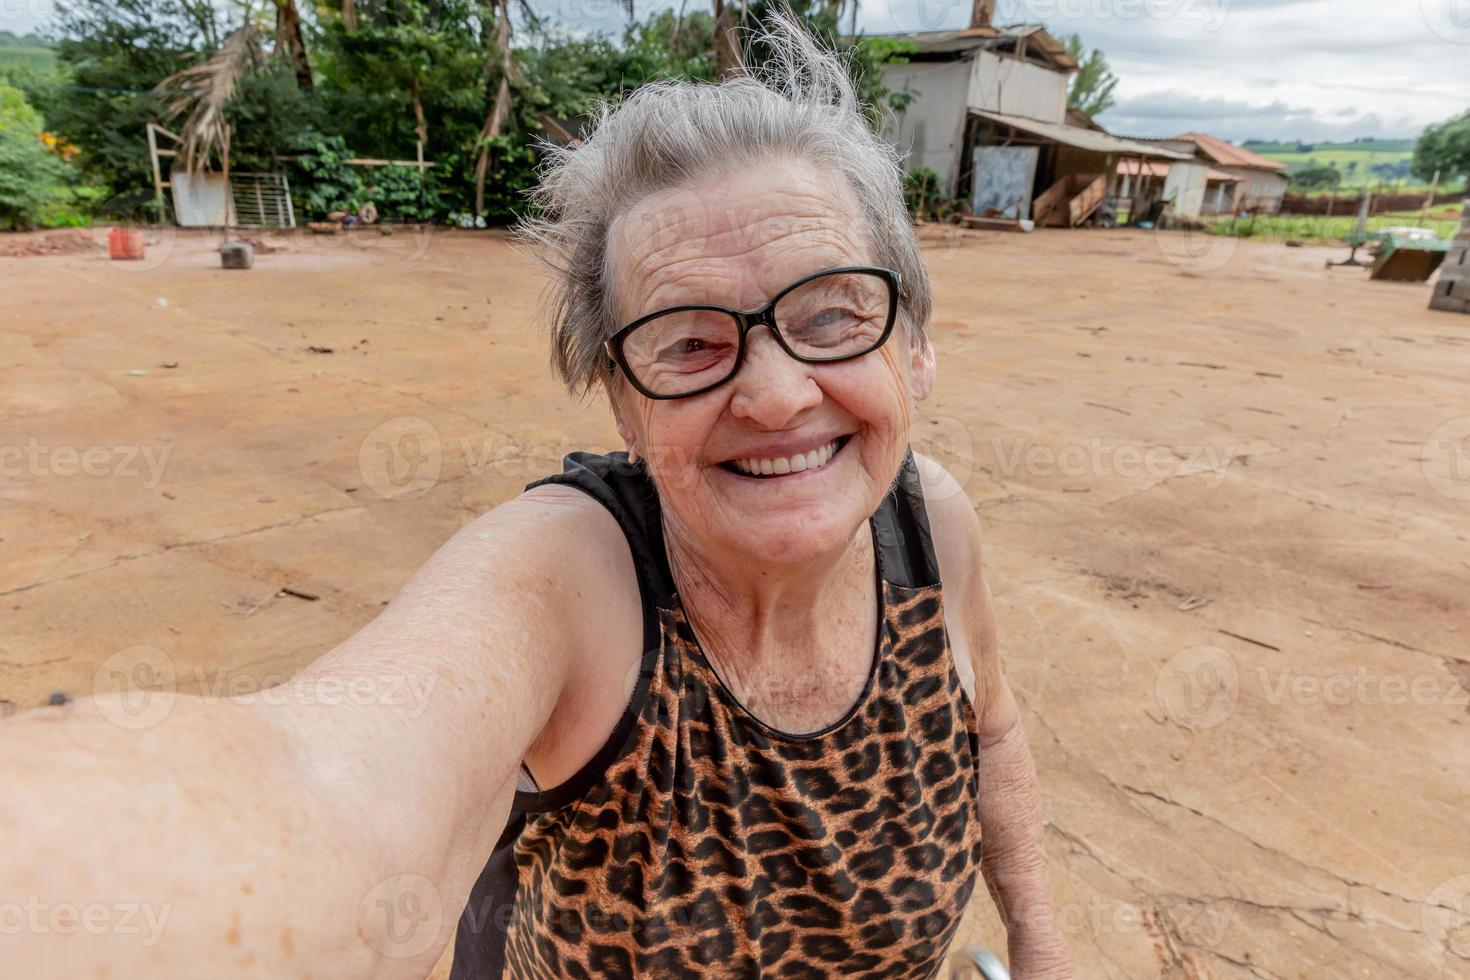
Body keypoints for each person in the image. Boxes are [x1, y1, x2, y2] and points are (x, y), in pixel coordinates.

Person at [0, 16, 1071, 979]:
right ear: (621, 403)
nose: (779, 391)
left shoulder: (933, 524)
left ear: (916, 347)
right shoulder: (569, 575)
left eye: (836, 316)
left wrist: (1042, 942)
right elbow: (328, 778)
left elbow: (995, 730)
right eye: (690, 342)